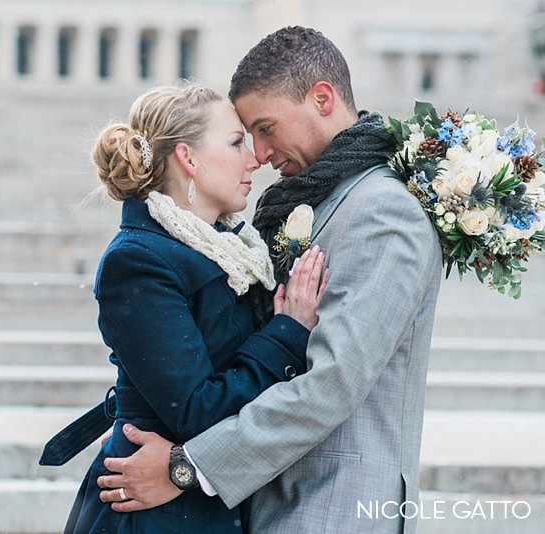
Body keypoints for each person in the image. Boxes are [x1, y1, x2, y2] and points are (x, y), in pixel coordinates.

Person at [96, 26, 443, 534]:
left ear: (322, 99)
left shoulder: (383, 212)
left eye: (264, 128)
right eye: (243, 137)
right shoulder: (310, 201)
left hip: (335, 505)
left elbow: (330, 384)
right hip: (268, 501)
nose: (258, 153)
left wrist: (188, 466)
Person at [58, 83, 329, 533]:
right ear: (188, 159)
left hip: (197, 495)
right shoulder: (138, 260)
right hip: (153, 511)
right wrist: (287, 331)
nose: (255, 158)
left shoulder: (231, 251)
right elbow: (196, 410)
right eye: (236, 142)